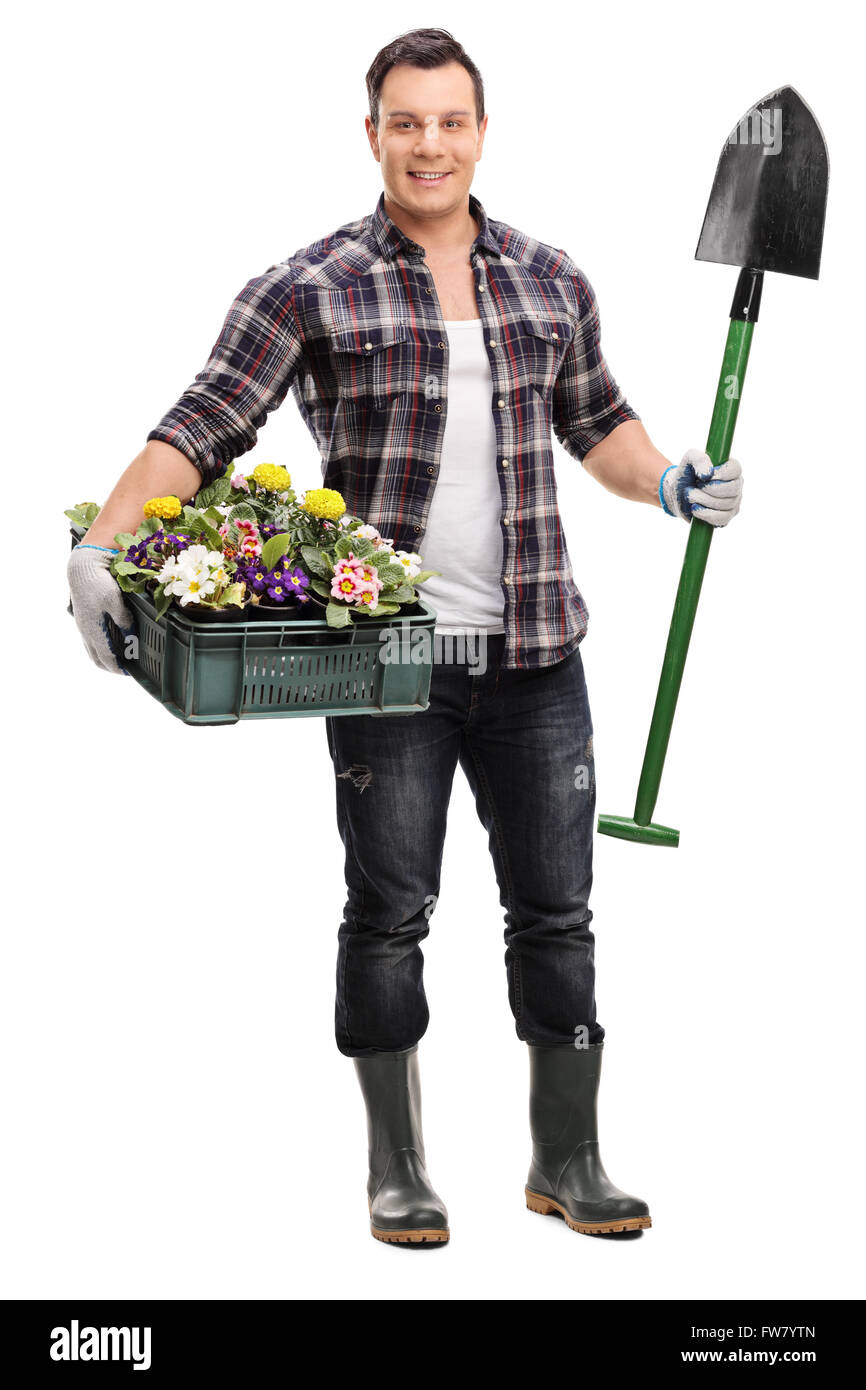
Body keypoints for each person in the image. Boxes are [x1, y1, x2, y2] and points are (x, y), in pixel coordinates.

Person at [67, 28, 743, 1246]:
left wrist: (672, 481)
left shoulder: (548, 277)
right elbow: (200, 426)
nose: (429, 143)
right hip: (387, 661)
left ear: (480, 131)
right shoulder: (308, 283)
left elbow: (599, 427)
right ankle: (397, 1166)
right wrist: (102, 547)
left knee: (558, 914)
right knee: (387, 911)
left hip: (538, 654)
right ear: (371, 133)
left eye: (450, 121)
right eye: (404, 122)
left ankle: (567, 1158)